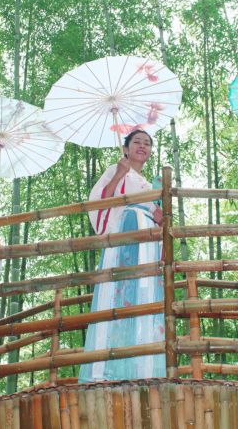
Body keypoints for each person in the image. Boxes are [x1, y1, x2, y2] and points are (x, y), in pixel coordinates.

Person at [79, 130, 165, 382]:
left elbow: (160, 217)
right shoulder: (116, 170)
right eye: (136, 142)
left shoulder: (149, 183)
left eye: (147, 143)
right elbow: (102, 201)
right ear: (125, 148)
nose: (142, 146)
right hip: (126, 230)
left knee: (142, 294)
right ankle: (106, 369)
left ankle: (140, 368)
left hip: (147, 238)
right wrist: (119, 173)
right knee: (118, 293)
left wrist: (159, 216)